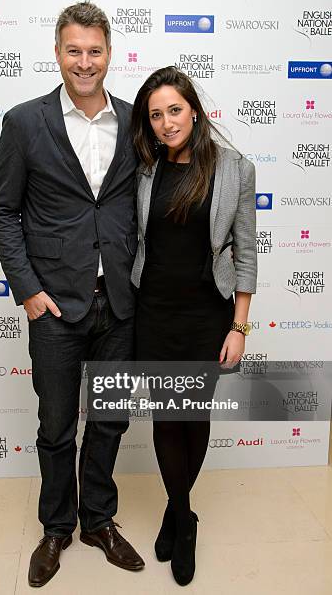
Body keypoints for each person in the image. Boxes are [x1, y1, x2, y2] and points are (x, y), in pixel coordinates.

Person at [0, 1, 144, 589]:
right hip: (54, 305)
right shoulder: (24, 122)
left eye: (95, 50)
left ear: (111, 55)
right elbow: (4, 211)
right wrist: (27, 291)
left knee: (108, 421)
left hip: (120, 305)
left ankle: (98, 522)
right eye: (74, 50)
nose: (85, 62)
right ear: (57, 53)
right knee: (56, 425)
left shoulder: (134, 122)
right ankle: (56, 526)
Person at [131, 66, 257, 586]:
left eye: (174, 110)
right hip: (153, 313)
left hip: (208, 314)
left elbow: (246, 253)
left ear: (195, 111)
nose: (165, 123)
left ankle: (177, 516)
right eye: (155, 114)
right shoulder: (143, 169)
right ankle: (184, 517)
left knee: (193, 420)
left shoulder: (236, 169)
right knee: (166, 419)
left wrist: (239, 326)